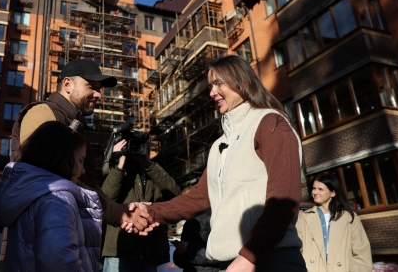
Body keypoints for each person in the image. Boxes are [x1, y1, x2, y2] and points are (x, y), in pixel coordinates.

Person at [131, 55, 306, 272]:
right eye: (211, 86)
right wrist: (152, 212)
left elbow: (284, 198)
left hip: (270, 260)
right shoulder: (219, 145)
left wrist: (250, 257)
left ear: (240, 81)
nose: (212, 92)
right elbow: (198, 198)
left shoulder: (270, 123)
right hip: (230, 263)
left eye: (218, 83)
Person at [10, 59, 154, 233]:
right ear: (68, 84)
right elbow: (51, 182)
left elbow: (83, 183)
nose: (99, 95)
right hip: (40, 240)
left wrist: (119, 210)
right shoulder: (43, 114)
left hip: (60, 234)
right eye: (92, 86)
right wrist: (116, 212)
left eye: (99, 89)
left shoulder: (74, 124)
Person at [0, 121, 103, 271]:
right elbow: (60, 261)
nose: (82, 170)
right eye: (80, 160)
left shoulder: (30, 194)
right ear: (61, 157)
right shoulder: (58, 199)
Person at [102, 138, 181, 271]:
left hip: (149, 252)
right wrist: (119, 163)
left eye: (145, 144)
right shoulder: (118, 172)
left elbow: (176, 196)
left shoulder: (154, 172)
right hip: (120, 252)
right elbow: (105, 200)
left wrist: (148, 163)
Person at [296, 174, 372, 272]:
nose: (315, 192)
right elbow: (297, 249)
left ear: (333, 193)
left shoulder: (349, 218)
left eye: (320, 189)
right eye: (314, 188)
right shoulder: (303, 218)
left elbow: (361, 254)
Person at [173, 187, 220, 272]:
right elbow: (181, 262)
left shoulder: (212, 219)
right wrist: (179, 252)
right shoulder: (188, 222)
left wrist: (188, 248)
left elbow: (219, 255)